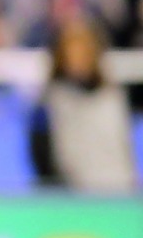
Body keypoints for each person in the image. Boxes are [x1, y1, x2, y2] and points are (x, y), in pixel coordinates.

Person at [30, 17, 138, 193]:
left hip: (118, 191)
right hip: (73, 196)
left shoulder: (113, 97)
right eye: (71, 53)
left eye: (83, 53)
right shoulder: (49, 103)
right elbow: (43, 160)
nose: (77, 61)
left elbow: (123, 148)